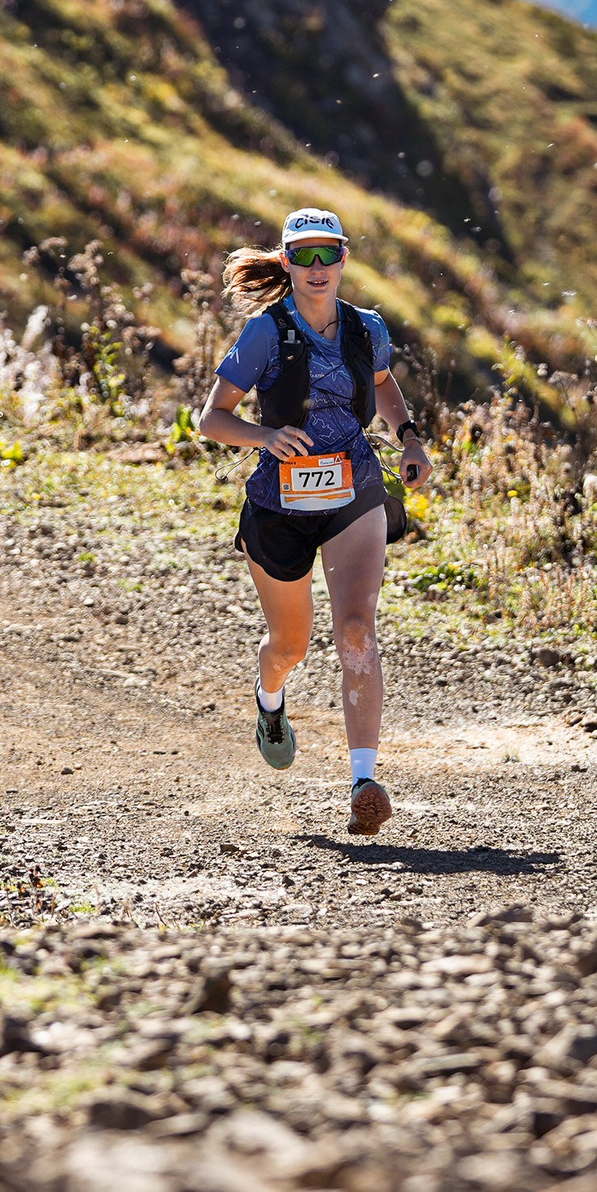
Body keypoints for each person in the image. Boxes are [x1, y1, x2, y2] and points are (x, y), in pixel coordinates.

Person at [196, 208, 432, 837]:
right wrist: (265, 435)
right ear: (286, 263)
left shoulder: (366, 328)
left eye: (329, 254)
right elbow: (211, 420)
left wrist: (408, 438)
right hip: (280, 505)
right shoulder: (265, 334)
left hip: (354, 488)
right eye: (304, 256)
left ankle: (363, 781)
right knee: (290, 648)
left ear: (345, 260)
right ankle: (270, 701)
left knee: (356, 628)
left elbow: (382, 385)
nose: (318, 268)